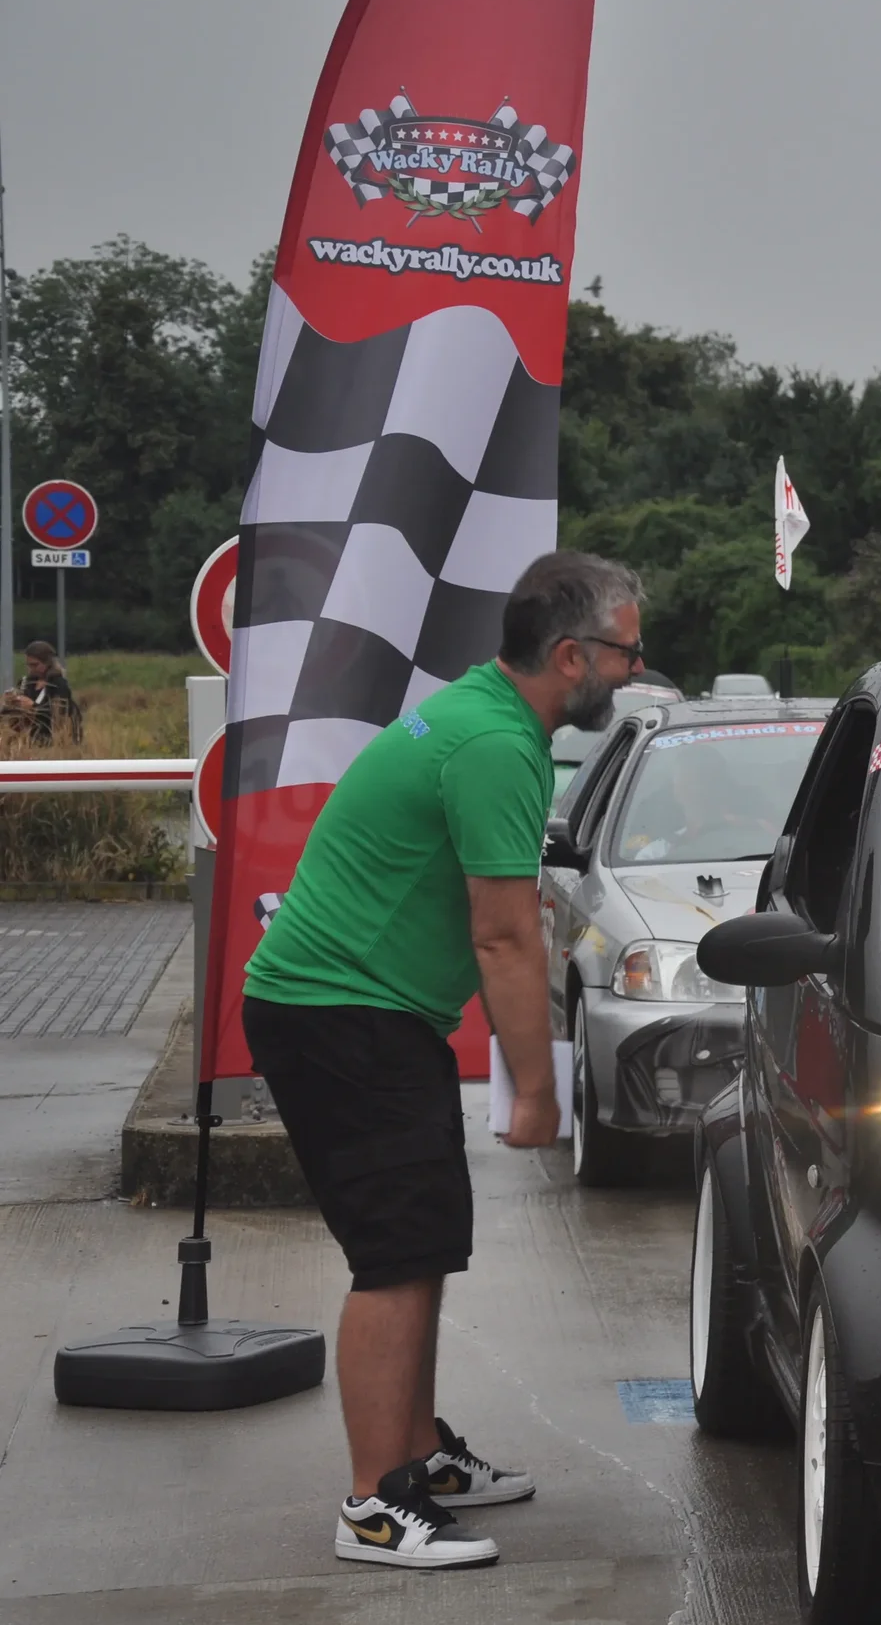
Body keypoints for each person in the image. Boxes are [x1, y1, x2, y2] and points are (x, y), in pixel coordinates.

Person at [242, 552, 645, 1568]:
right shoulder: (495, 747)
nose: (636, 671)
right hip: (340, 1014)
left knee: (422, 1242)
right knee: (393, 1256)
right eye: (628, 652)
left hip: (370, 1014)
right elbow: (505, 936)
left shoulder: (477, 710)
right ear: (570, 655)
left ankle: (416, 1457)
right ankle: (375, 1507)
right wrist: (541, 1090)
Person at [2, 640, 76, 744]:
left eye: (35, 665)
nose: (31, 669)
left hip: (51, 742)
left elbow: (59, 716)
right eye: (29, 665)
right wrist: (9, 704)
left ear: (48, 663)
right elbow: (13, 718)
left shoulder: (58, 685)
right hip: (28, 741)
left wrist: (33, 707)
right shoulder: (26, 683)